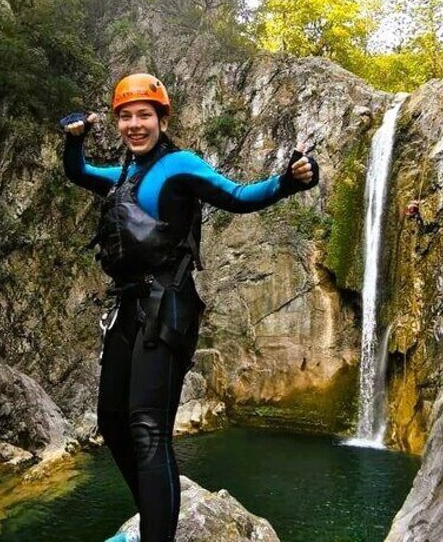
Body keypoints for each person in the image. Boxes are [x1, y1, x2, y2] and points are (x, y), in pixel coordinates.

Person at [60, 73, 319, 542]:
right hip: (128, 306)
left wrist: (287, 181)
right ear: (117, 122)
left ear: (162, 119)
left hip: (168, 306)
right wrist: (74, 140)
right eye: (125, 116)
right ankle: (153, 520)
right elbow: (78, 172)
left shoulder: (180, 165)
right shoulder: (122, 174)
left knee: (147, 430)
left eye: (144, 115)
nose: (135, 124)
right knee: (111, 422)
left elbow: (238, 196)